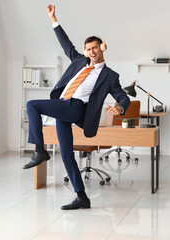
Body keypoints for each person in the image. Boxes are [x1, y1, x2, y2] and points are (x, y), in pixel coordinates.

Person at [23, 4, 130, 210]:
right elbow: (65, 43)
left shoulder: (109, 76)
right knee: (66, 154)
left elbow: (122, 96)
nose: (92, 52)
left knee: (31, 105)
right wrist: (54, 19)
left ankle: (39, 150)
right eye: (88, 49)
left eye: (95, 48)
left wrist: (121, 107)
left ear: (102, 48)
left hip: (75, 107)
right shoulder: (80, 60)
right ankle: (82, 197)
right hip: (62, 106)